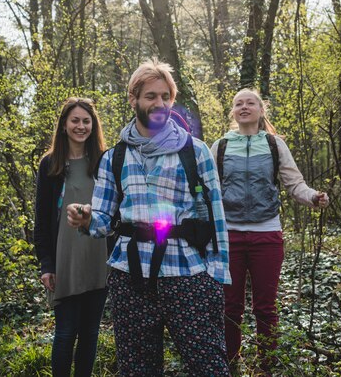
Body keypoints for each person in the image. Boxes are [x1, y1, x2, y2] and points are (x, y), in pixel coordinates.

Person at [67, 59, 231, 377]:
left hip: (188, 274)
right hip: (129, 276)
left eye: (165, 96)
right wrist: (86, 218)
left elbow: (217, 217)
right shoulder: (114, 158)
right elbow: (103, 217)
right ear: (134, 99)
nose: (160, 103)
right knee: (136, 368)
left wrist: (216, 278)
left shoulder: (195, 152)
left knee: (209, 365)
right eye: (151, 96)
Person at [211, 88, 329, 376]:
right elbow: (208, 187)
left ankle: (268, 365)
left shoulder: (275, 145)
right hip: (230, 235)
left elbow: (294, 183)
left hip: (268, 234)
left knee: (265, 306)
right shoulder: (221, 145)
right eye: (238, 103)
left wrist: (313, 197)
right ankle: (231, 364)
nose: (244, 107)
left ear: (261, 110)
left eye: (250, 102)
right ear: (233, 111)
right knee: (230, 306)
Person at [34, 97, 108, 377]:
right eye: (75, 120)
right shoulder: (50, 164)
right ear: (64, 125)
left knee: (90, 334)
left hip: (98, 258)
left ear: (93, 125)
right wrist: (46, 264)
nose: (81, 126)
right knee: (65, 333)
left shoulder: (104, 160)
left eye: (86, 121)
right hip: (65, 260)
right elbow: (41, 220)